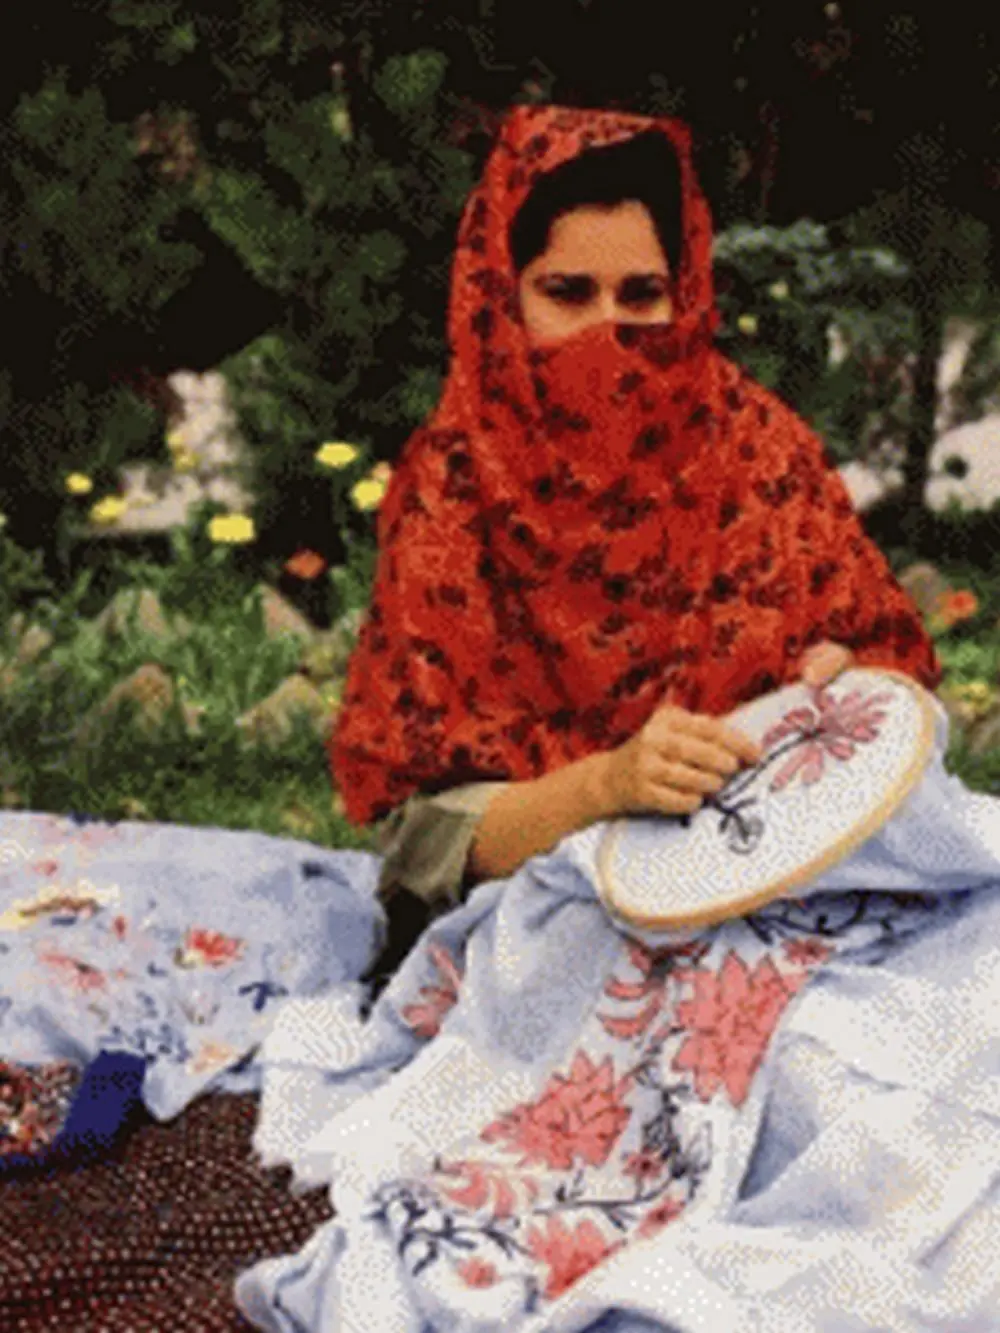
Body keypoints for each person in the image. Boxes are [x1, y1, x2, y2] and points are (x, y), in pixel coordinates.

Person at [329, 104, 940, 995]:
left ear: (683, 293)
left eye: (642, 294)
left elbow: (895, 696)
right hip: (542, 931)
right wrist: (606, 786)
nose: (610, 330)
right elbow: (423, 841)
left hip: (780, 899)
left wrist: (846, 690)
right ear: (503, 295)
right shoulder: (454, 485)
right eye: (568, 293)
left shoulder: (759, 450)